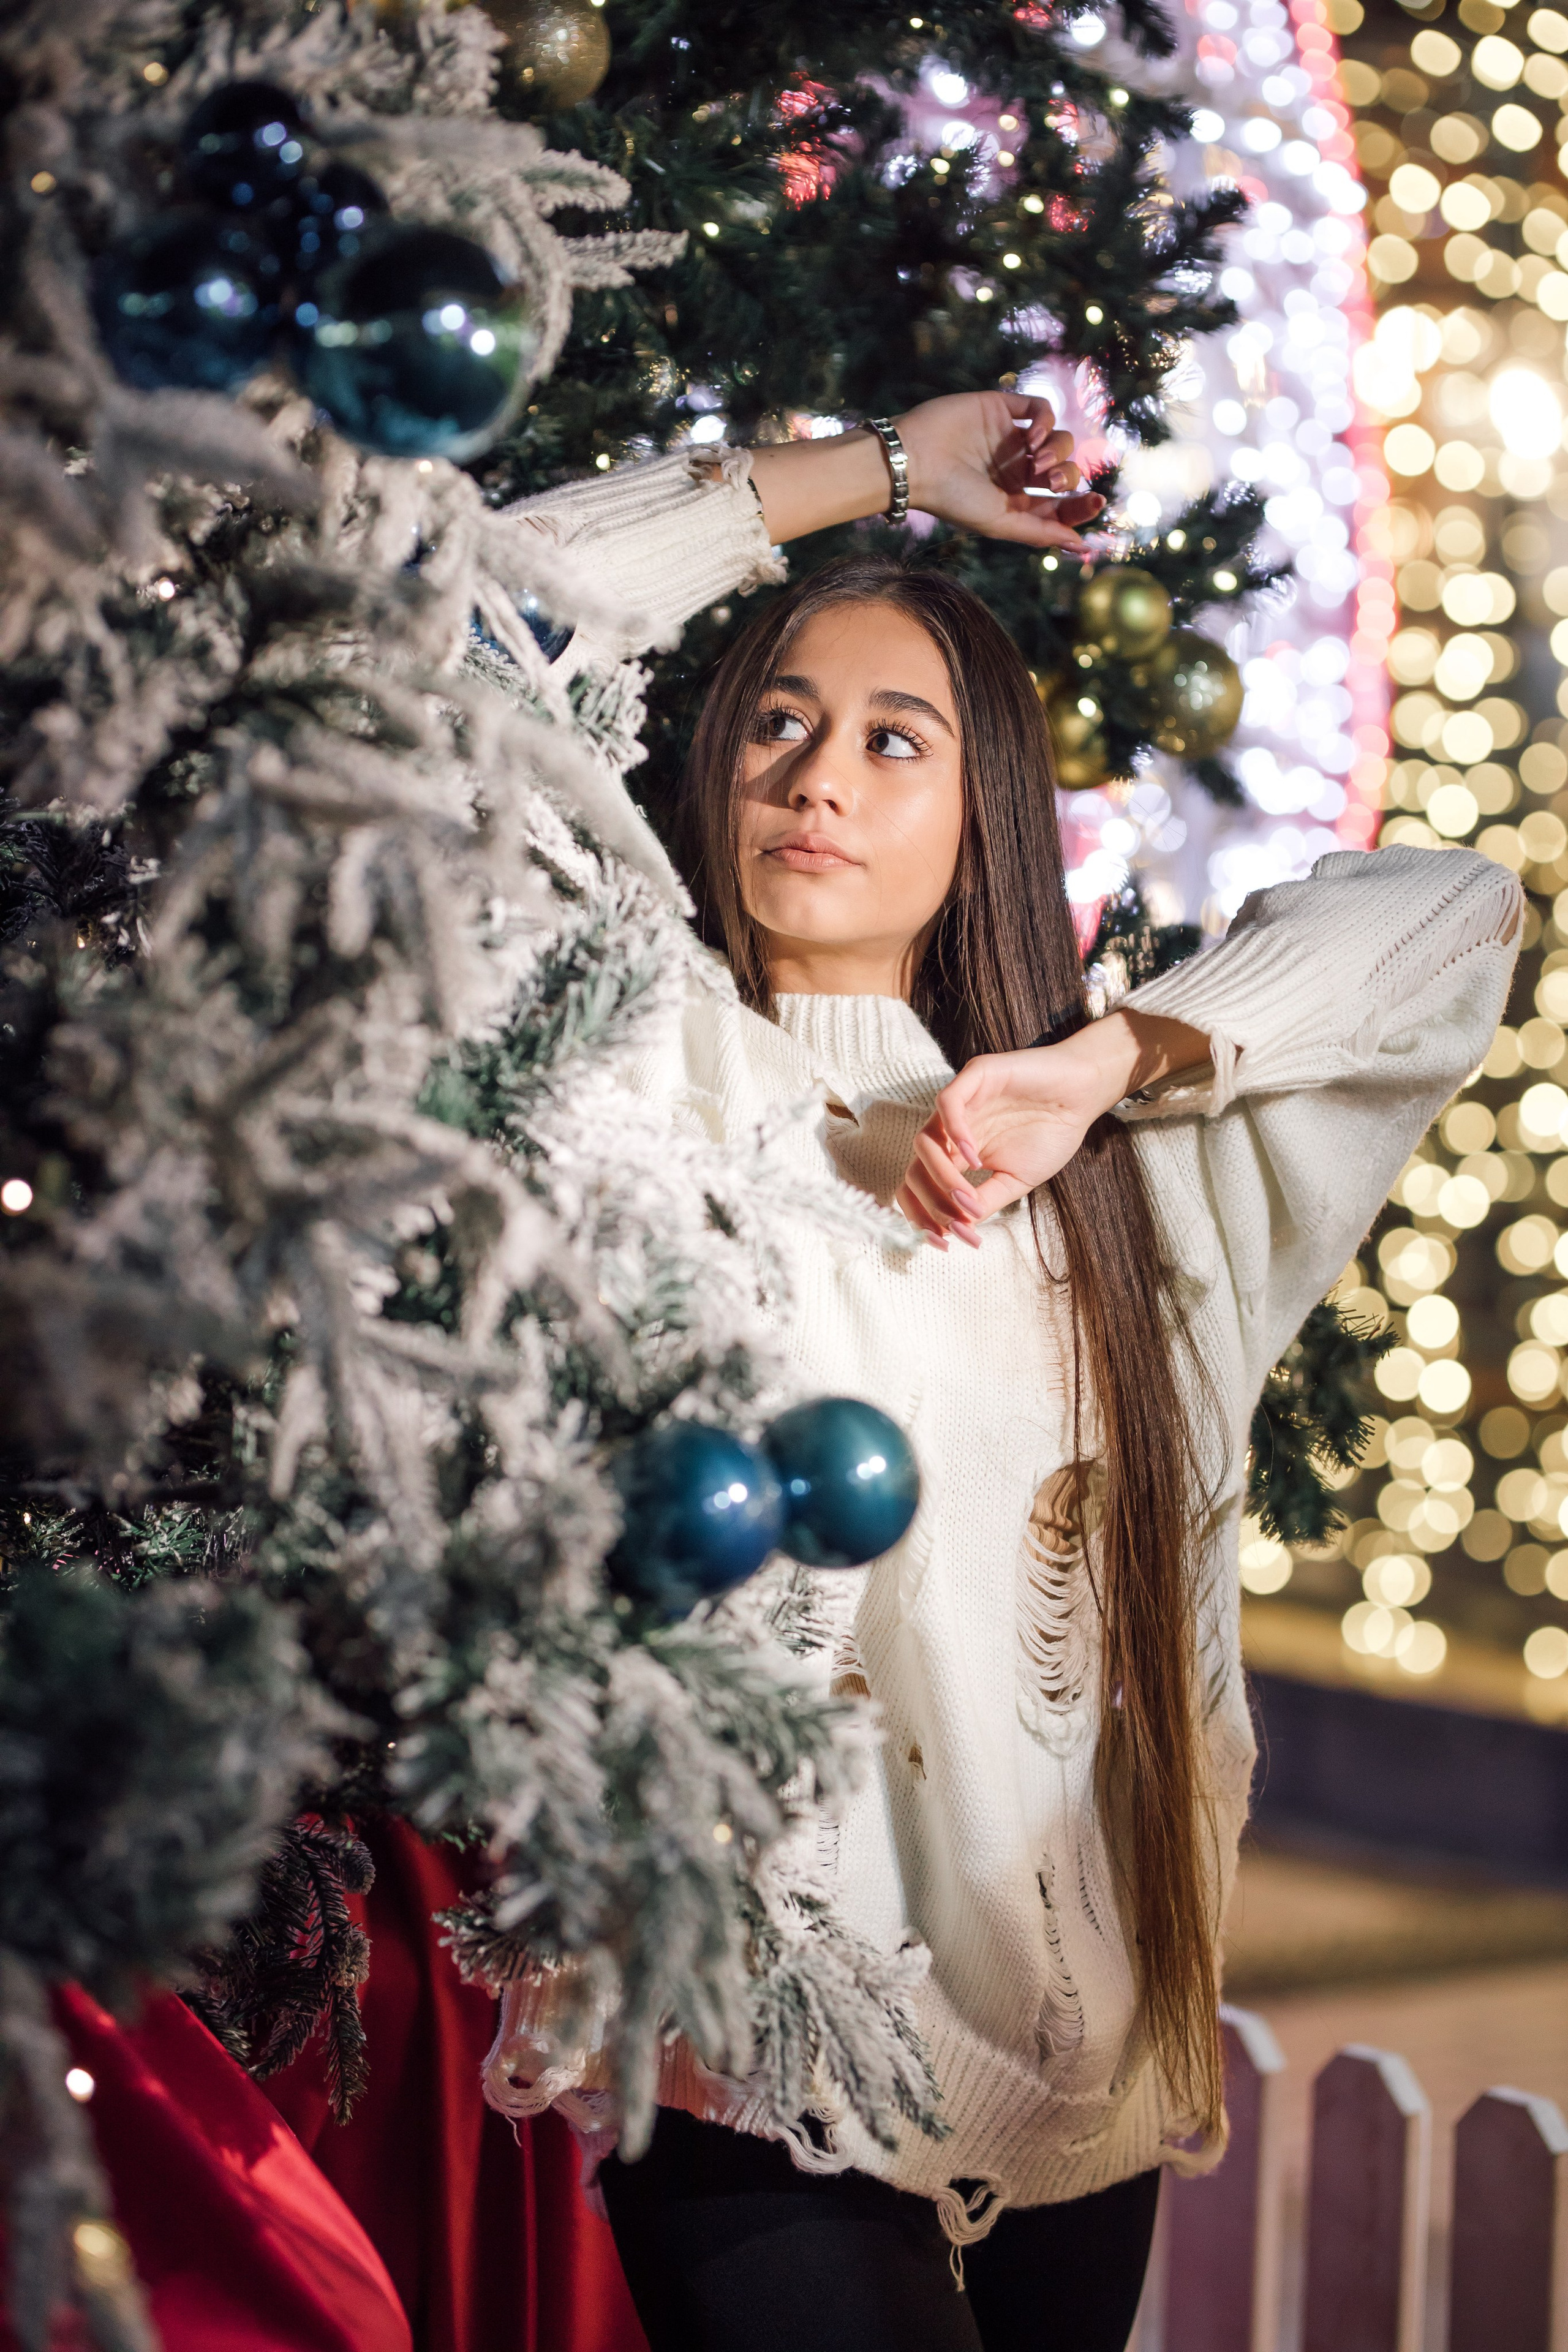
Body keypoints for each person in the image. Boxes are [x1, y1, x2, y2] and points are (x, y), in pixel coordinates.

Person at [488, 396, 1523, 2352]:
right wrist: (882, 466)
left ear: (988, 818)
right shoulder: (641, 1067)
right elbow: (461, 611)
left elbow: (1460, 917)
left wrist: (1105, 1064)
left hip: (1081, 2055)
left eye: (897, 740)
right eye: (777, 722)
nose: (816, 776)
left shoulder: (1128, 1182)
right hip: (751, 2039)